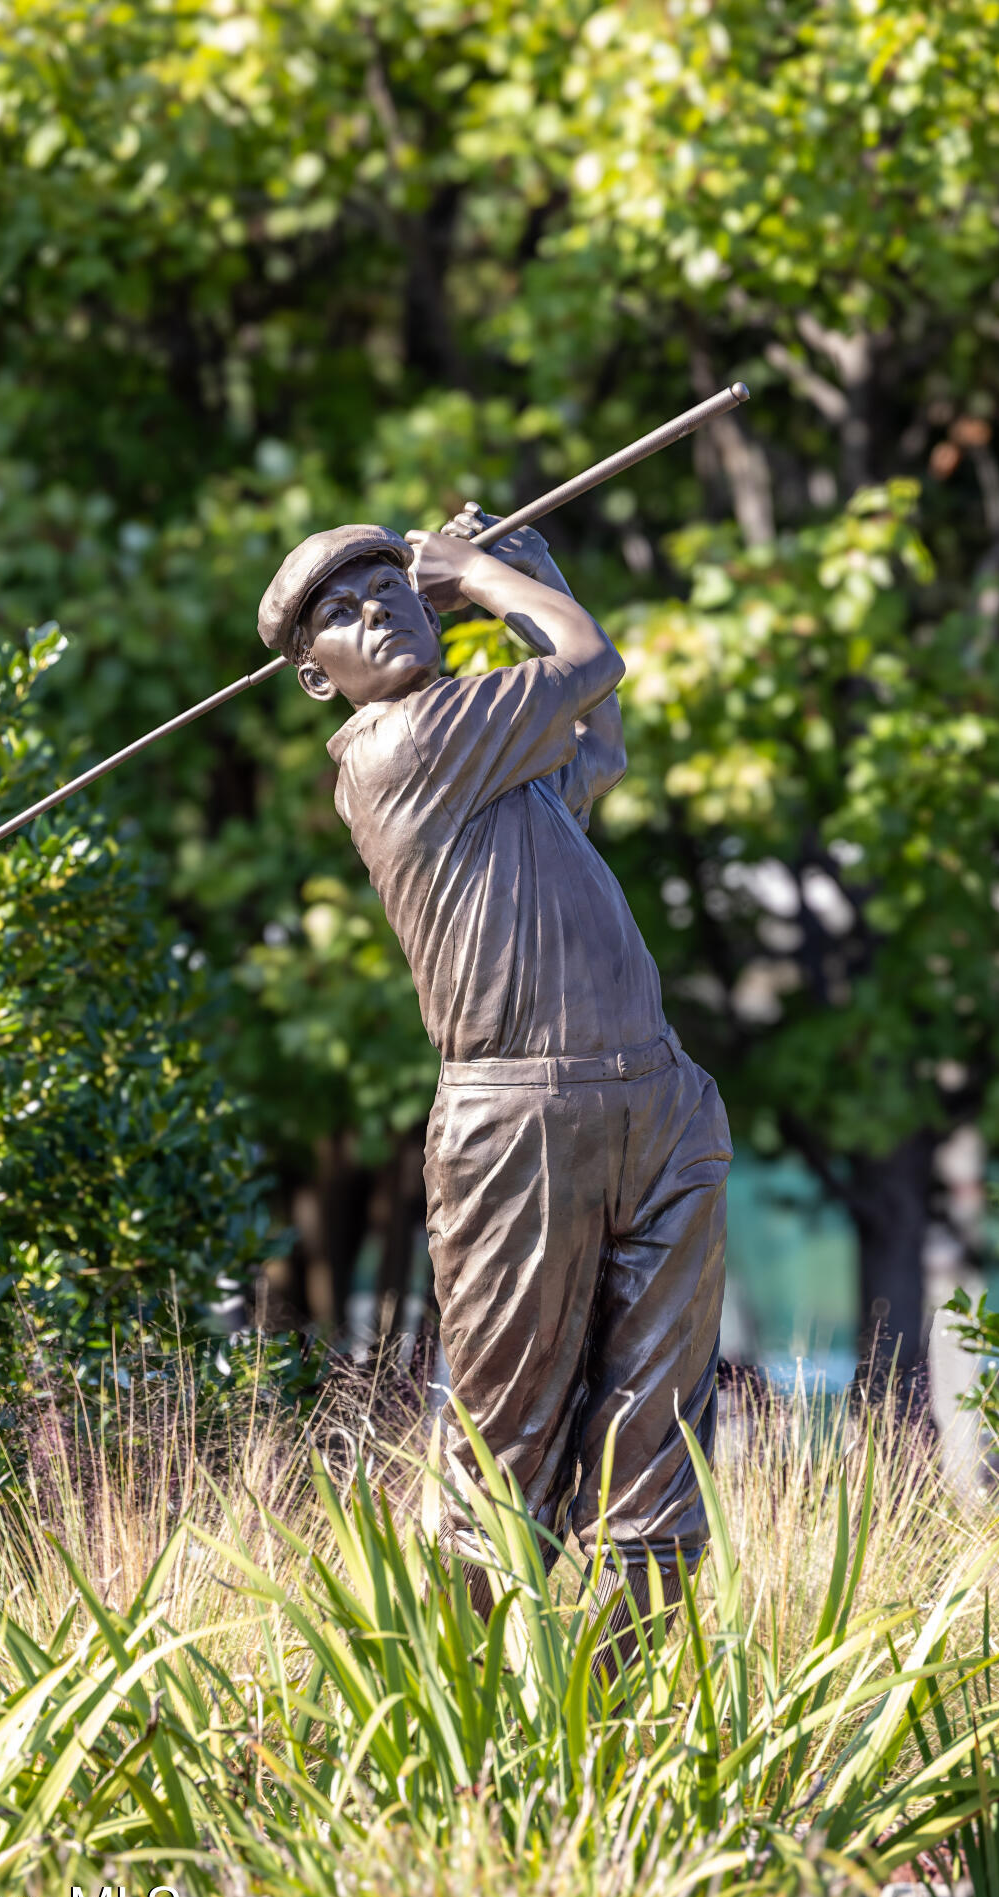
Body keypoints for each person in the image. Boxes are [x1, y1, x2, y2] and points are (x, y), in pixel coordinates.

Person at [257, 504, 732, 1647]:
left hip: (655, 1099)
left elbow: (595, 735)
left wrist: (528, 566)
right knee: (500, 1459)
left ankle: (616, 1716)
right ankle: (463, 1711)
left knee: (655, 1466)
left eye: (390, 589)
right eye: (339, 613)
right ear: (316, 677)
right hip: (519, 1120)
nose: (375, 613)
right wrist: (481, 573)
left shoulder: (495, 762)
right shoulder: (400, 747)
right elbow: (588, 658)